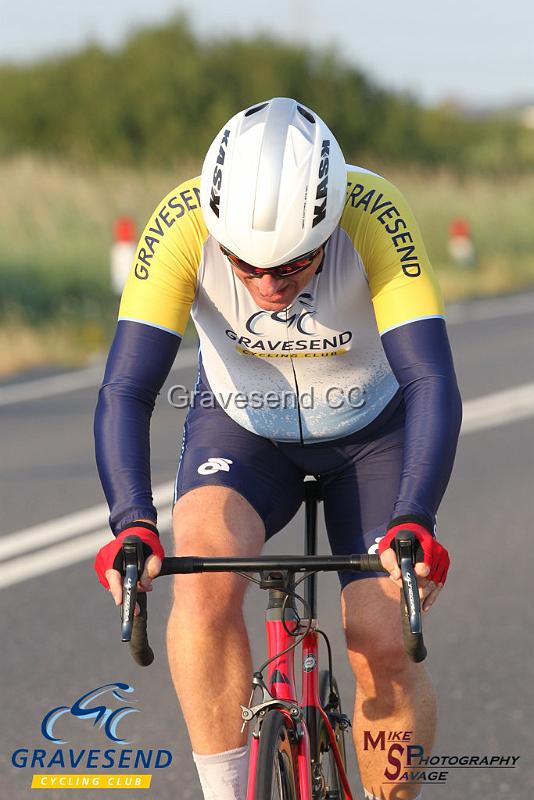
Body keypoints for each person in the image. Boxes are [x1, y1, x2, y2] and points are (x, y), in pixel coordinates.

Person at [94, 97, 461, 800]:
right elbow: (125, 391)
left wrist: (417, 516)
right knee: (201, 588)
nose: (267, 285)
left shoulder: (373, 211)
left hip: (371, 436)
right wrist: (130, 522)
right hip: (243, 428)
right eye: (244, 264)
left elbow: (430, 377)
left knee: (381, 640)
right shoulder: (178, 223)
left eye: (294, 264)